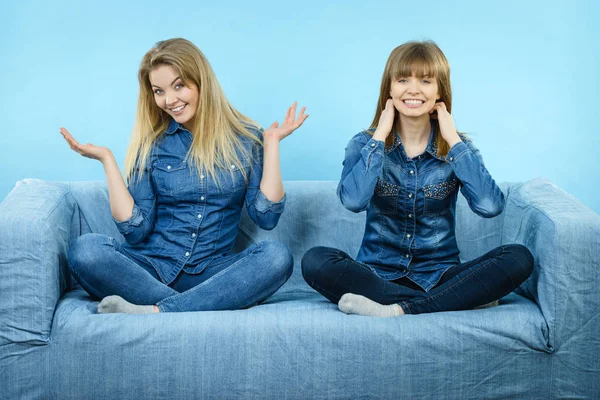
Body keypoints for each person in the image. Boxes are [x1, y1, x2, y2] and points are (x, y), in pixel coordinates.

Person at [61, 38, 308, 314]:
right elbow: (135, 231)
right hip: (152, 269)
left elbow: (267, 216)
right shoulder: (151, 145)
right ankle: (189, 308)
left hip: (212, 274)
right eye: (159, 91)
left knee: (277, 257)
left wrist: (271, 142)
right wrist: (107, 160)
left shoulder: (247, 140)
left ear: (201, 81)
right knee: (86, 250)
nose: (169, 100)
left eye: (178, 86)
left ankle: (158, 312)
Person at [301, 41, 533, 317]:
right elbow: (353, 201)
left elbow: (489, 206)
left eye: (425, 81)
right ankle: (455, 299)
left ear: (440, 91)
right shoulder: (364, 143)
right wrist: (379, 136)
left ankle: (397, 309)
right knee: (315, 261)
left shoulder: (459, 148)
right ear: (389, 88)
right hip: (377, 275)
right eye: (403, 80)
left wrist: (454, 141)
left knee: (518, 257)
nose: (413, 89)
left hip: (440, 274)